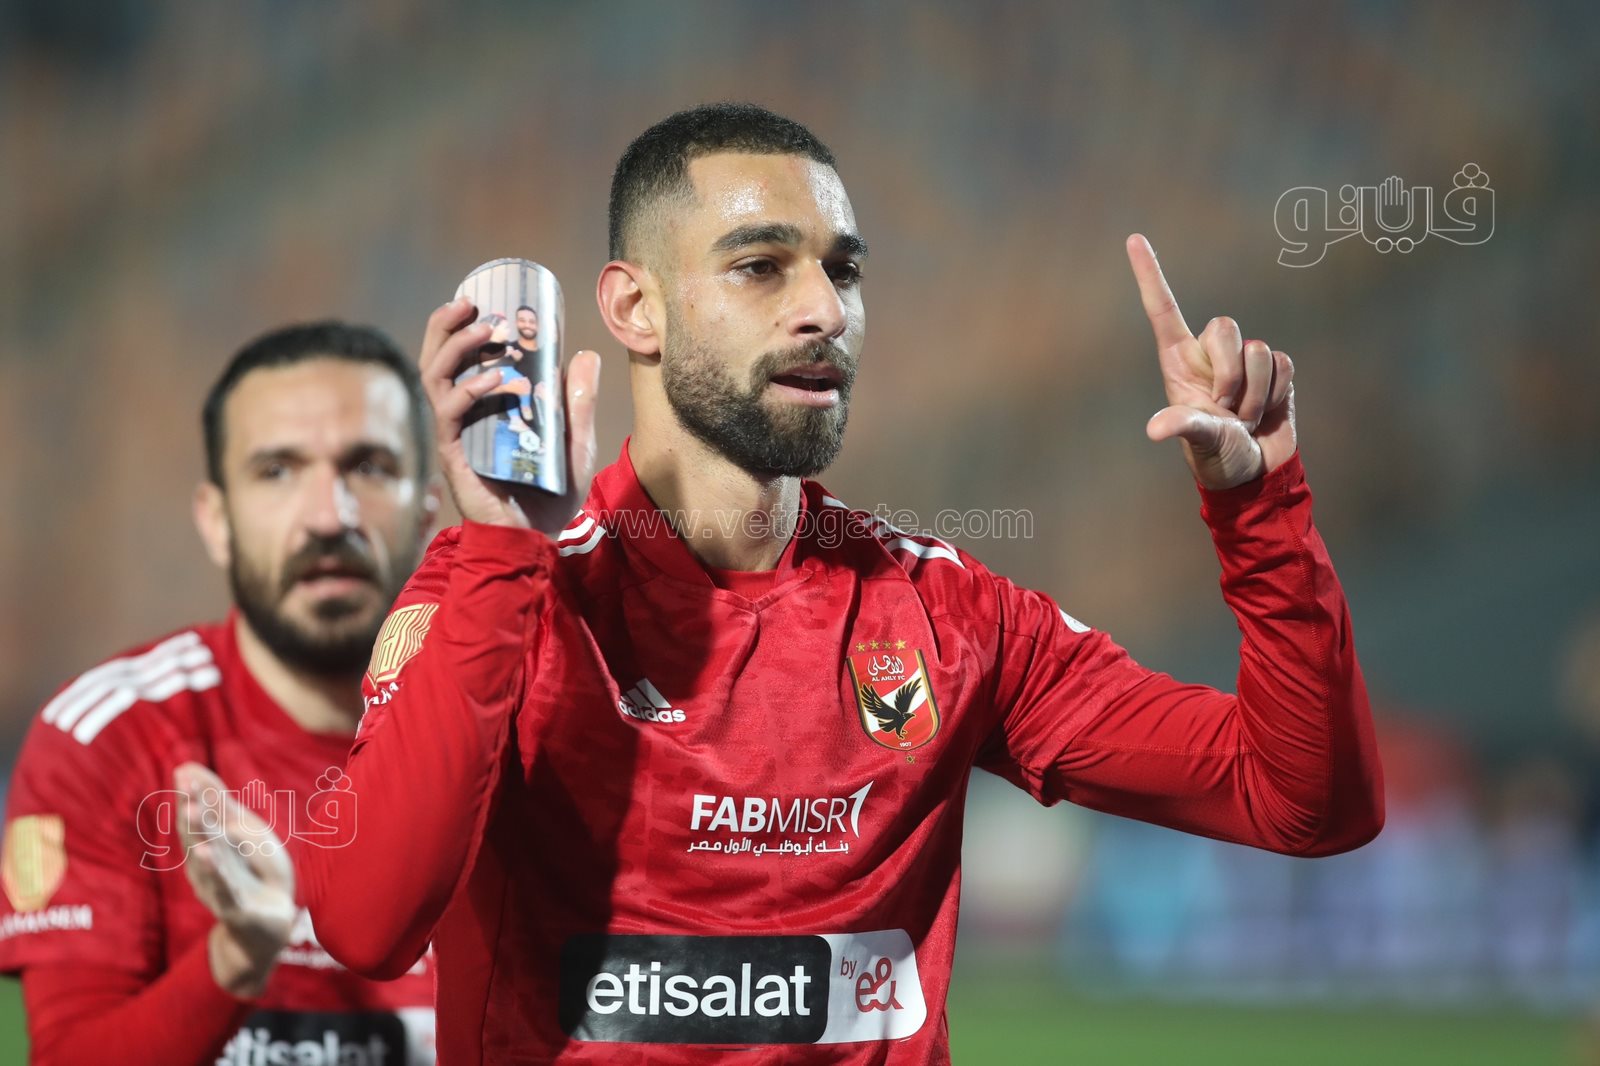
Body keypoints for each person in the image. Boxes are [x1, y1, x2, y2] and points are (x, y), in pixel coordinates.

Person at [301, 104, 1385, 1064]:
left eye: (844, 270)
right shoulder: (504, 594)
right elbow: (366, 925)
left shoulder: (947, 614)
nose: (823, 307)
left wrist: (1260, 510)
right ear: (635, 309)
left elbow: (1305, 802)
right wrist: (500, 554)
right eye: (760, 266)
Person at [0, 322, 442, 1064]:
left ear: (427, 512)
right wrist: (236, 958)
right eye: (277, 470)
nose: (329, 516)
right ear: (216, 521)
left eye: (368, 466)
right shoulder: (107, 734)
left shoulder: (513, 729)